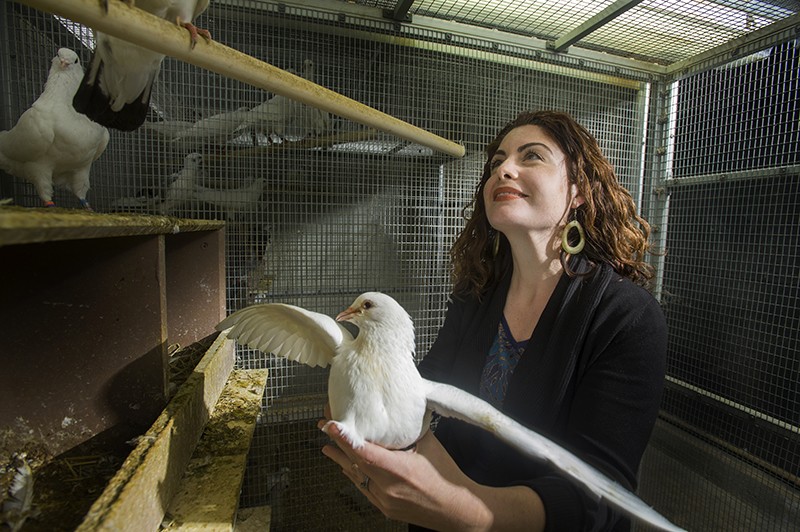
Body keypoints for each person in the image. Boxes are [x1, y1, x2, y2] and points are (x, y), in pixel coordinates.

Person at [320, 110, 667, 531]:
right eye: (497, 161)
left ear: (577, 190)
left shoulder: (626, 317)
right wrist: (368, 400)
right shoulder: (476, 294)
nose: (503, 169)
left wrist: (464, 511)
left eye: (532, 156)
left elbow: (604, 495)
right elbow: (421, 386)